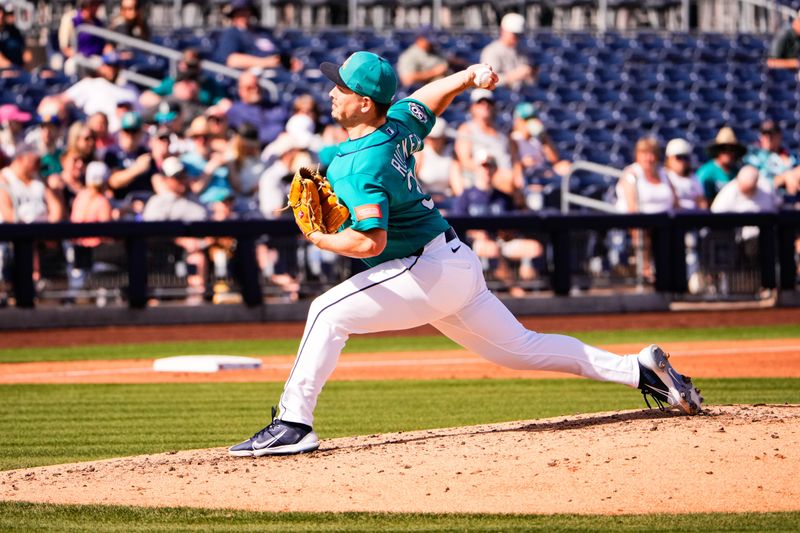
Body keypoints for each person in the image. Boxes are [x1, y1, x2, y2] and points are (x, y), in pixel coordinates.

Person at [228, 52, 702, 457]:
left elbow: (368, 243)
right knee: (522, 350)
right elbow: (427, 99)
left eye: (340, 87)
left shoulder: (358, 164)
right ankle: (639, 370)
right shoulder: (395, 128)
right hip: (451, 262)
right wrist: (468, 75)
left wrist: (316, 238)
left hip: (424, 268)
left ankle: (294, 424)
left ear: (364, 102)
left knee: (325, 311)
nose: (331, 91)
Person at [58, 52, 141, 133]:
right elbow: (62, 100)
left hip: (125, 135)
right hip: (95, 136)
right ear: (102, 66)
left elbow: (141, 114)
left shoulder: (130, 89)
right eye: (109, 65)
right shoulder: (91, 84)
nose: (112, 69)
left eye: (115, 66)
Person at [454, 89, 516, 195]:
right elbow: (465, 161)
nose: (485, 105)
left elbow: (514, 159)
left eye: (489, 102)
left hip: (508, 180)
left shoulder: (502, 133)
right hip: (482, 178)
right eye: (480, 103)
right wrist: (495, 173)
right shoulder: (467, 129)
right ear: (472, 107)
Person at [218, 71, 288, 145]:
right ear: (241, 90)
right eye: (250, 87)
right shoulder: (236, 111)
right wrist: (279, 133)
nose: (255, 90)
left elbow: (286, 118)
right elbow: (254, 136)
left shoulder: (272, 105)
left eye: (257, 85)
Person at [140, 49, 226, 109]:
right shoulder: (172, 82)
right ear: (181, 65)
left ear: (199, 66)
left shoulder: (208, 84)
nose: (189, 69)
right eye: (188, 65)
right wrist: (171, 101)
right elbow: (145, 98)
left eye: (193, 66)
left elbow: (223, 104)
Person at [213, 0, 282, 70]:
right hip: (260, 73)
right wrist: (264, 62)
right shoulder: (232, 34)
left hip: (283, 70)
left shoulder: (263, 32)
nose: (243, 14)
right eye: (239, 12)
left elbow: (281, 50)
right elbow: (231, 60)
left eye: (245, 10)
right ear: (234, 14)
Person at [0, 149, 62, 223]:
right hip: (17, 231)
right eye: (32, 155)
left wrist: (49, 228)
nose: (38, 160)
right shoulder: (4, 178)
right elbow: (7, 212)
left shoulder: (39, 178)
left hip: (44, 229)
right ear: (20, 157)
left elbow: (55, 206)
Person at [742, 120, 800, 197]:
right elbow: (757, 182)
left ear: (779, 136)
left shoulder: (791, 155)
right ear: (760, 136)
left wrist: (791, 174)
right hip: (766, 196)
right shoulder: (753, 154)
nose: (768, 138)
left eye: (772, 135)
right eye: (764, 134)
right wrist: (785, 176)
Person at [479, 13, 535, 90]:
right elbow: (486, 82)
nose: (517, 37)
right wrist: (513, 76)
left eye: (519, 34)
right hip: (499, 96)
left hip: (521, 95)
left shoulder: (523, 49)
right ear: (503, 31)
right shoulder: (491, 51)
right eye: (514, 33)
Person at [414, 117, 461, 206]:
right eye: (429, 137)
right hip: (423, 199)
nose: (430, 140)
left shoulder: (451, 154)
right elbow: (412, 179)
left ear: (443, 137)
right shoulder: (421, 153)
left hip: (446, 199)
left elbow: (456, 184)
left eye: (435, 138)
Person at [696, 127, 746, 204]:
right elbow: (702, 200)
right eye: (724, 149)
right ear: (718, 150)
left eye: (732, 149)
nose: (728, 153)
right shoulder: (706, 172)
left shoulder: (738, 172)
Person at [663, 138, 707, 210]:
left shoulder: (694, 178)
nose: (683, 161)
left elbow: (702, 202)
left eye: (685, 158)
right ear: (669, 159)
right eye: (679, 157)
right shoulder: (664, 176)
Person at [0, 3, 25, 68]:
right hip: (6, 72)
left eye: (2, 11)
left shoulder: (13, 30)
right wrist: (15, 69)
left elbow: (26, 53)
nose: (1, 15)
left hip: (18, 69)